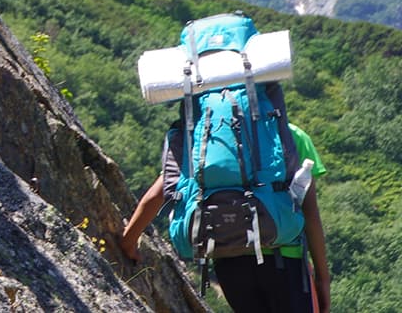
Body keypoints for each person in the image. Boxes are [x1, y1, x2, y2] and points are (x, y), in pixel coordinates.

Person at [120, 122, 331, 313]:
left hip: (229, 260)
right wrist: (322, 279)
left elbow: (157, 195)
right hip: (284, 258)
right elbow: (310, 214)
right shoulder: (289, 134)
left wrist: (128, 241)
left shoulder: (203, 138)